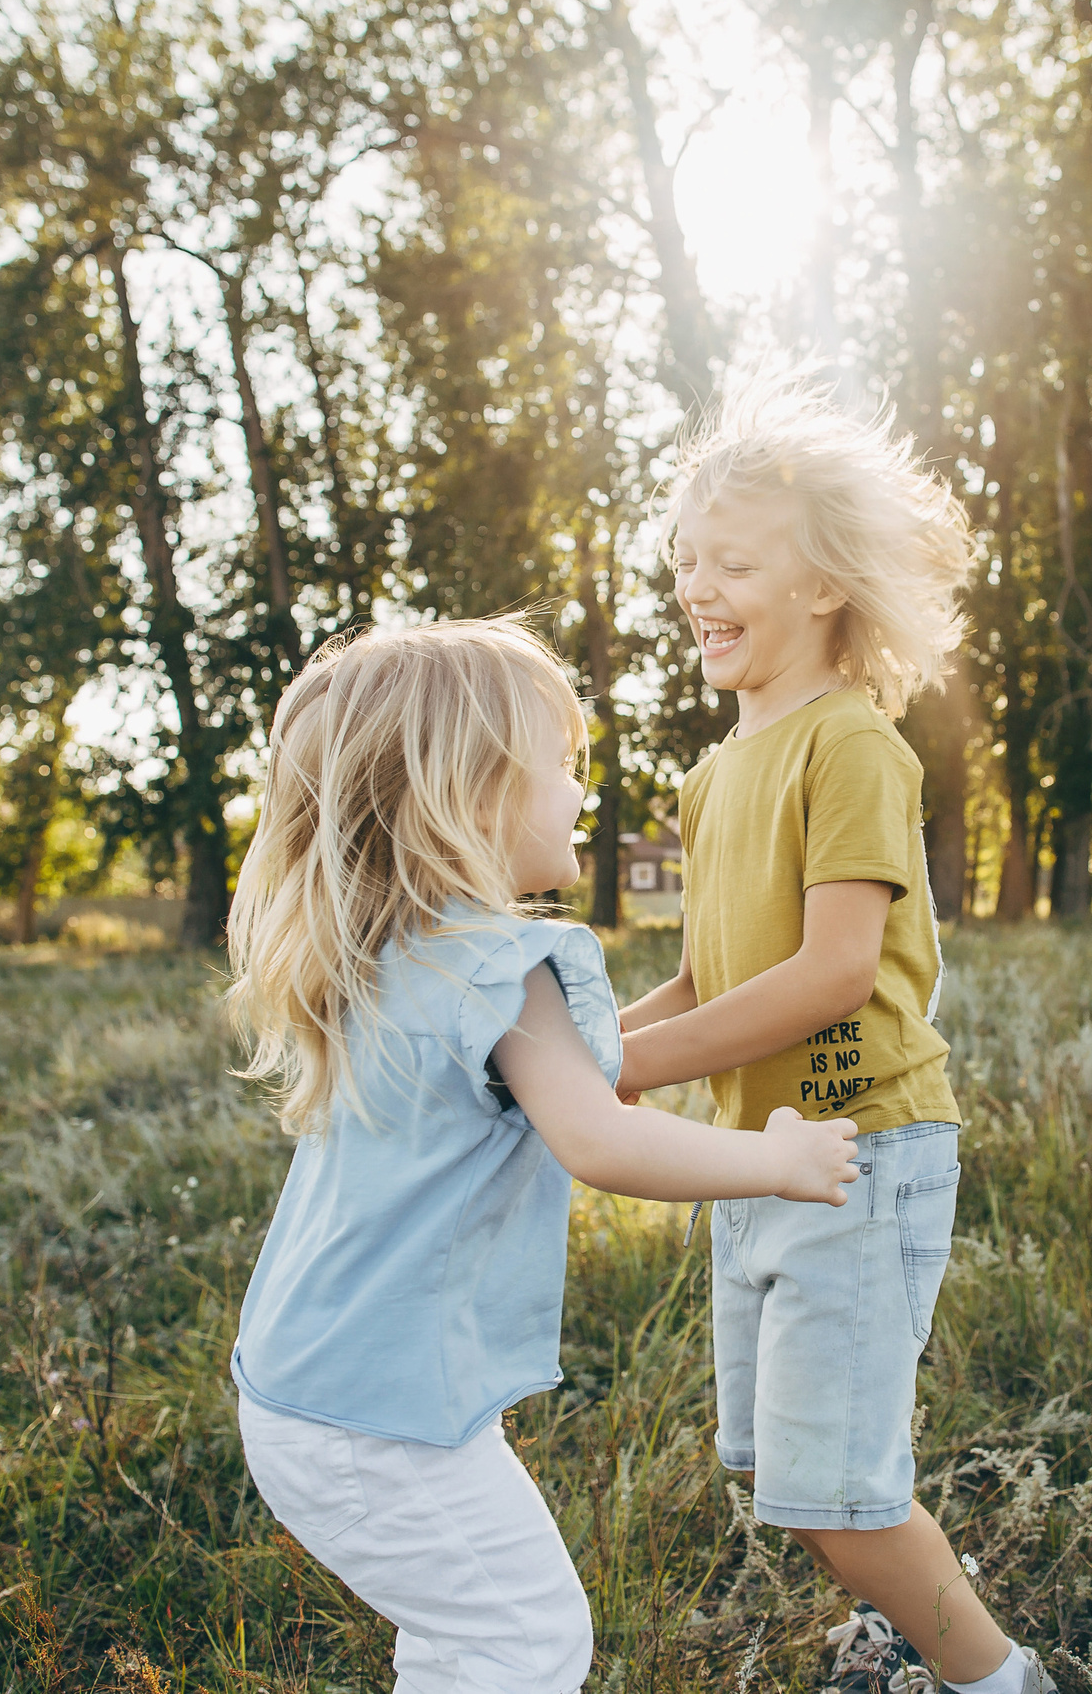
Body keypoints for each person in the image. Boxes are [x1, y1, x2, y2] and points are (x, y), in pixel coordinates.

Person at [223, 617, 864, 1693]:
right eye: (562, 766)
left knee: (467, 1636)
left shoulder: (389, 953)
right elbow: (599, 1133)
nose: (580, 790)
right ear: (471, 793)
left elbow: (596, 1063)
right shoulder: (500, 969)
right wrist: (776, 1161)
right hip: (377, 1419)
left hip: (312, 1387)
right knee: (524, 1640)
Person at [616, 372, 1055, 1694]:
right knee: (777, 1463)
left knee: (838, 1485)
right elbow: (706, 976)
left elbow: (830, 972)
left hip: (860, 1147)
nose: (698, 584)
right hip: (760, 1159)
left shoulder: (850, 744)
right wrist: (578, 1040)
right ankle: (897, 1625)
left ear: (821, 585)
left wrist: (621, 1070)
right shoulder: (710, 772)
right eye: (686, 560)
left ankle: (995, 1680)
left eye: (733, 560)